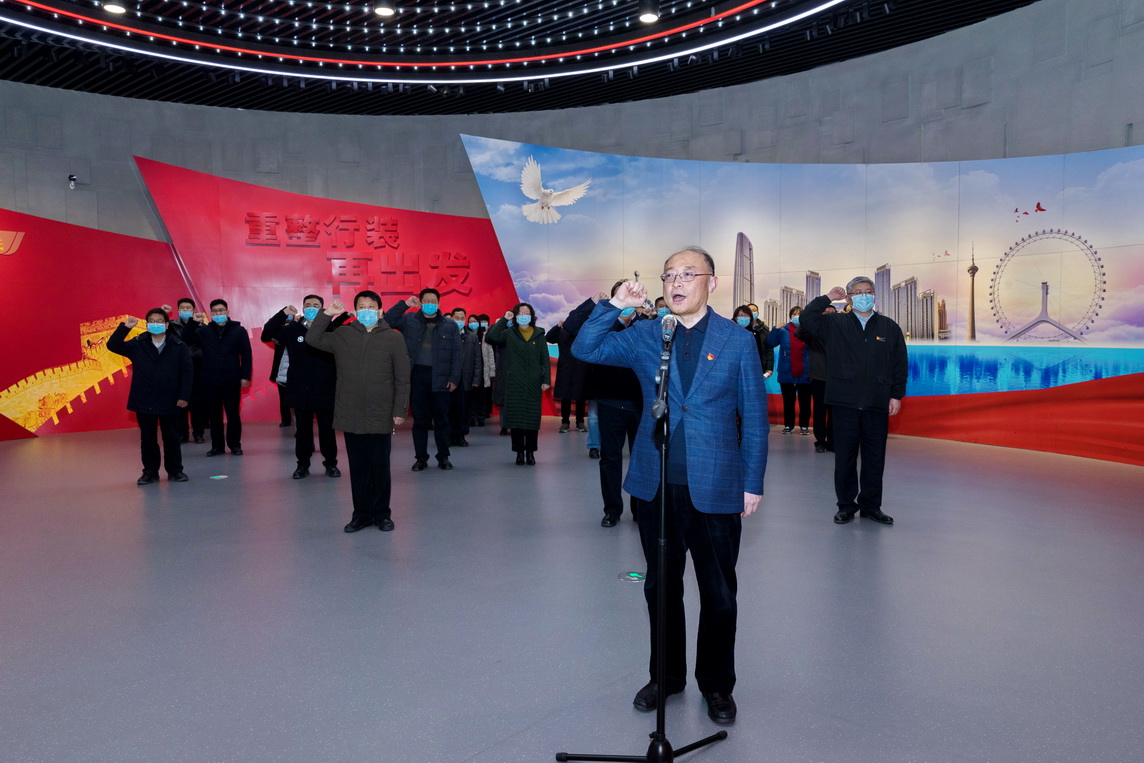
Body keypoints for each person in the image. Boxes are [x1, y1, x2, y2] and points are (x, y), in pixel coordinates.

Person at [572, 246, 767, 725]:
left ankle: (717, 685)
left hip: (716, 484)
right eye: (669, 276)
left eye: (687, 274)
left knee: (719, 592)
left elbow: (755, 418)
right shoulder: (646, 334)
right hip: (655, 483)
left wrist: (752, 481)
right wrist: (616, 305)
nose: (676, 283)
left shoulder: (737, 340)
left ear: (711, 283)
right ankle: (667, 677)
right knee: (661, 589)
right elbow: (585, 348)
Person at [799, 277, 907, 525]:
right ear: (848, 297)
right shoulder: (835, 323)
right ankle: (846, 505)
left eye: (868, 291)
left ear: (875, 295)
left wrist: (896, 395)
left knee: (874, 458)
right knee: (845, 458)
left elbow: (900, 364)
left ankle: (871, 506)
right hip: (844, 402)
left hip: (877, 402)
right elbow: (807, 319)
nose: (864, 296)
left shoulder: (889, 327)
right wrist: (828, 298)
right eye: (858, 292)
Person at [306, 291, 410, 532]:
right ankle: (361, 514)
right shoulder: (343, 334)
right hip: (351, 411)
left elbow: (402, 378)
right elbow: (313, 338)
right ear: (354, 311)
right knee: (358, 466)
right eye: (362, 306)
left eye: (371, 306)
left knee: (380, 466)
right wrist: (327, 314)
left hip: (381, 411)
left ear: (380, 311)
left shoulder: (394, 338)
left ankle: (382, 514)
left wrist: (400, 409)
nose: (367, 311)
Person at [564, 283, 644, 527]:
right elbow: (571, 327)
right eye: (622, 296)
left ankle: (640, 509)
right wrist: (592, 303)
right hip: (610, 402)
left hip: (641, 403)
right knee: (610, 458)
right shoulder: (603, 326)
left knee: (641, 459)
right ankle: (612, 509)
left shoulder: (645, 326)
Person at [262, 295, 348, 479]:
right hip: (300, 389)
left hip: (325, 389)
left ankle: (331, 464)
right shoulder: (292, 329)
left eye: (316, 305)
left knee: (327, 430)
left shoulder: (330, 329)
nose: (311, 308)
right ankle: (302, 465)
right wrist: (283, 313)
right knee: (302, 431)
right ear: (302, 308)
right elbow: (267, 333)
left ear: (323, 309)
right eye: (308, 305)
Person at [107, 309, 192, 485]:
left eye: (159, 321)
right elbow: (113, 345)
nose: (155, 324)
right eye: (151, 321)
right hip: (144, 399)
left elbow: (187, 372)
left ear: (166, 325)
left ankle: (175, 471)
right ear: (147, 325)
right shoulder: (138, 343)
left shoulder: (178, 345)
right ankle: (150, 472)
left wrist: (184, 395)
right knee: (147, 439)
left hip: (170, 399)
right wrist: (125, 328)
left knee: (172, 437)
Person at [384, 288, 462, 471]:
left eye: (433, 301)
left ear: (439, 303)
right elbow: (388, 320)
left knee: (442, 420)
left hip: (441, 378)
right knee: (419, 421)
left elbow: (457, 354)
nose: (430, 304)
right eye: (426, 301)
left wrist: (454, 378)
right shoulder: (409, 320)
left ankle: (443, 457)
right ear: (420, 302)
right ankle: (421, 458)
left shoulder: (450, 325)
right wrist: (405, 305)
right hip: (417, 377)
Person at [183, 299, 252, 456]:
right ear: (211, 313)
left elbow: (246, 355)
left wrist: (245, 376)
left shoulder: (239, 330)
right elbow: (186, 338)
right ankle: (217, 447)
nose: (218, 313)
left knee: (233, 414)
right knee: (214, 416)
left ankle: (235, 445)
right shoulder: (204, 331)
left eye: (221, 310)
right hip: (210, 380)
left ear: (227, 312)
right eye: (215, 311)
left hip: (232, 379)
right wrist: (193, 322)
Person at [486, 303, 551, 465]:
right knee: (515, 420)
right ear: (515, 316)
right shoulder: (509, 333)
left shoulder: (539, 334)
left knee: (531, 420)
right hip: (514, 383)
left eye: (526, 313)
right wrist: (503, 320)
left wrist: (546, 380)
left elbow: (545, 359)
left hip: (533, 383)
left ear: (532, 316)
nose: (523, 316)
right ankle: (519, 453)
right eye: (520, 313)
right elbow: (491, 337)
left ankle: (530, 453)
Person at [165, 298, 208, 445]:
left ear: (193, 310)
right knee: (180, 401)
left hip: (197, 366)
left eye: (188, 308)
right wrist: (164, 314)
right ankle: (182, 434)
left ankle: (198, 433)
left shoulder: (202, 326)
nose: (185, 310)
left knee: (197, 402)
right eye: (182, 308)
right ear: (177, 310)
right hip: (177, 367)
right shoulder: (171, 325)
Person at [766, 306, 813, 435]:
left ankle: (804, 426)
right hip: (787, 371)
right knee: (788, 401)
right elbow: (770, 343)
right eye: (794, 314)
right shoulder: (783, 330)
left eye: (799, 314)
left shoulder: (809, 330)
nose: (797, 316)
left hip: (805, 371)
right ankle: (788, 425)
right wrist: (775, 329)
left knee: (805, 401)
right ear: (790, 316)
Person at [798, 304, 836, 453]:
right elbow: (799, 332)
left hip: (837, 379)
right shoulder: (814, 333)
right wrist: (814, 319)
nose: (828, 315)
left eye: (832, 313)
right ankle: (820, 441)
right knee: (819, 411)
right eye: (825, 313)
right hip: (819, 378)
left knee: (835, 412)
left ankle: (833, 441)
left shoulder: (840, 332)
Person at [447, 307, 483, 448]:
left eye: (462, 318)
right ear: (451, 318)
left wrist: (476, 379)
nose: (459, 321)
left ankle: (461, 436)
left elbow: (477, 359)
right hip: (449, 380)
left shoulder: (472, 337)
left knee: (463, 410)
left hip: (466, 379)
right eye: (457, 318)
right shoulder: (445, 335)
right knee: (449, 410)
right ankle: (449, 436)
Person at [545, 320, 588, 434]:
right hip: (565, 369)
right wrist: (558, 326)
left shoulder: (584, 332)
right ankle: (565, 422)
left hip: (581, 368)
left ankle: (580, 422)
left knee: (580, 397)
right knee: (565, 396)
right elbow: (548, 338)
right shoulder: (562, 332)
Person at [473, 314, 495, 427]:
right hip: (471, 370)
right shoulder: (468, 335)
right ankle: (472, 418)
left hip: (484, 370)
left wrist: (492, 371)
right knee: (472, 396)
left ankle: (482, 417)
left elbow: (490, 355)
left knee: (483, 395)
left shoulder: (487, 336)